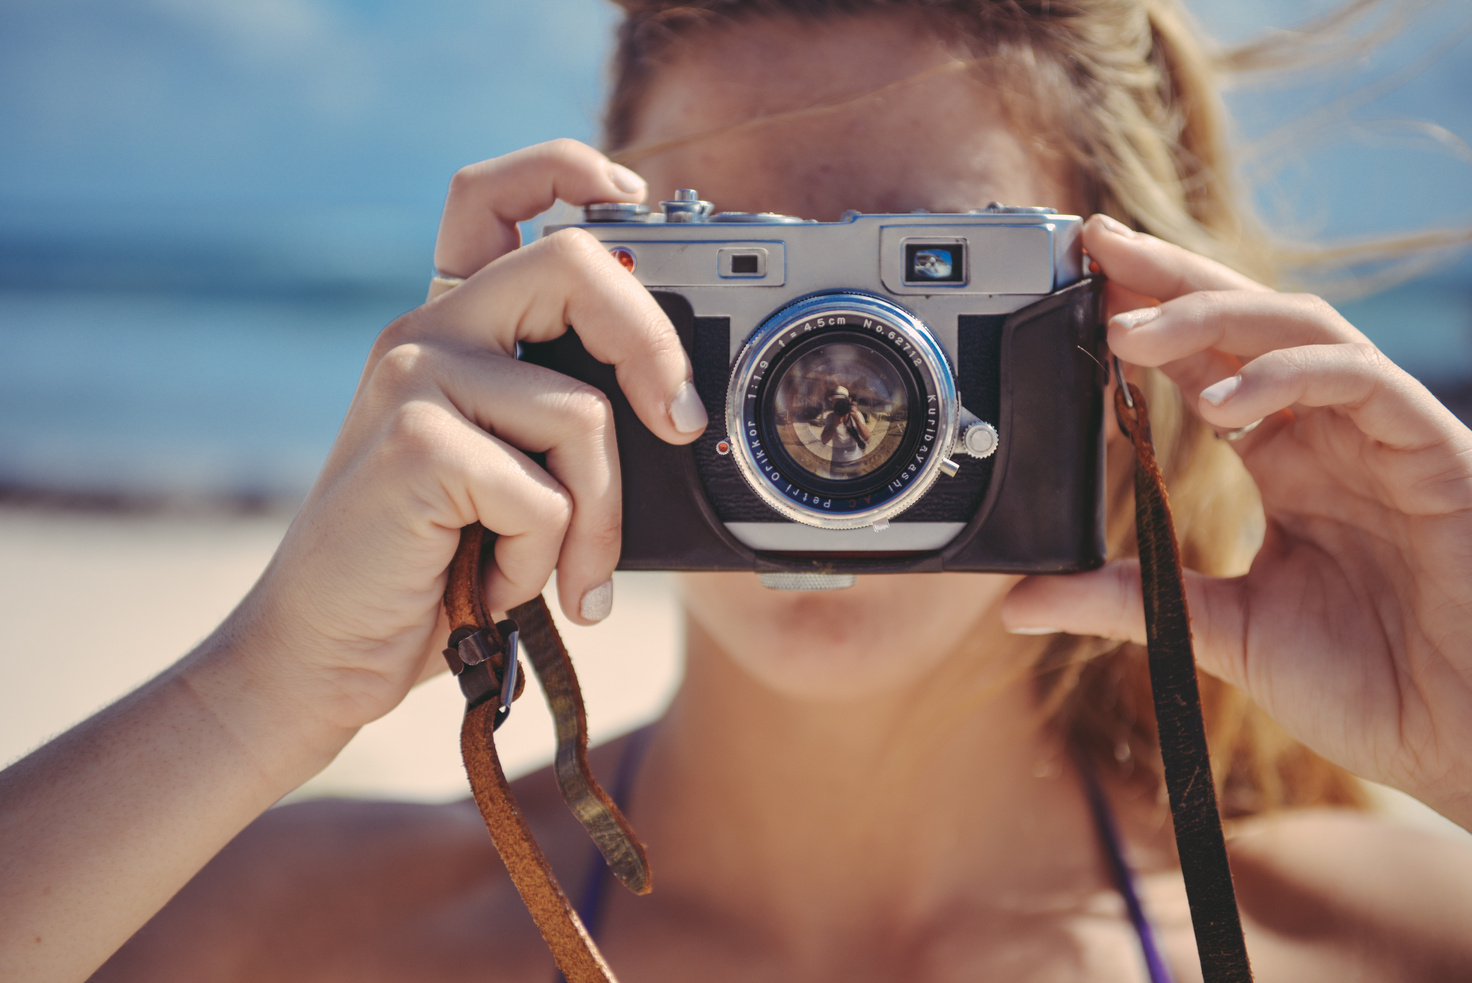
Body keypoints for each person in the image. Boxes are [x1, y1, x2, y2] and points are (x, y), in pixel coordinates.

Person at [4, 0, 1472, 980]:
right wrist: (259, 693)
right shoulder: (283, 929)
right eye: (737, 282)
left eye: (935, 280)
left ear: (1118, 357)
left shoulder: (1387, 940)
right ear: (581, 315)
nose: (820, 387)